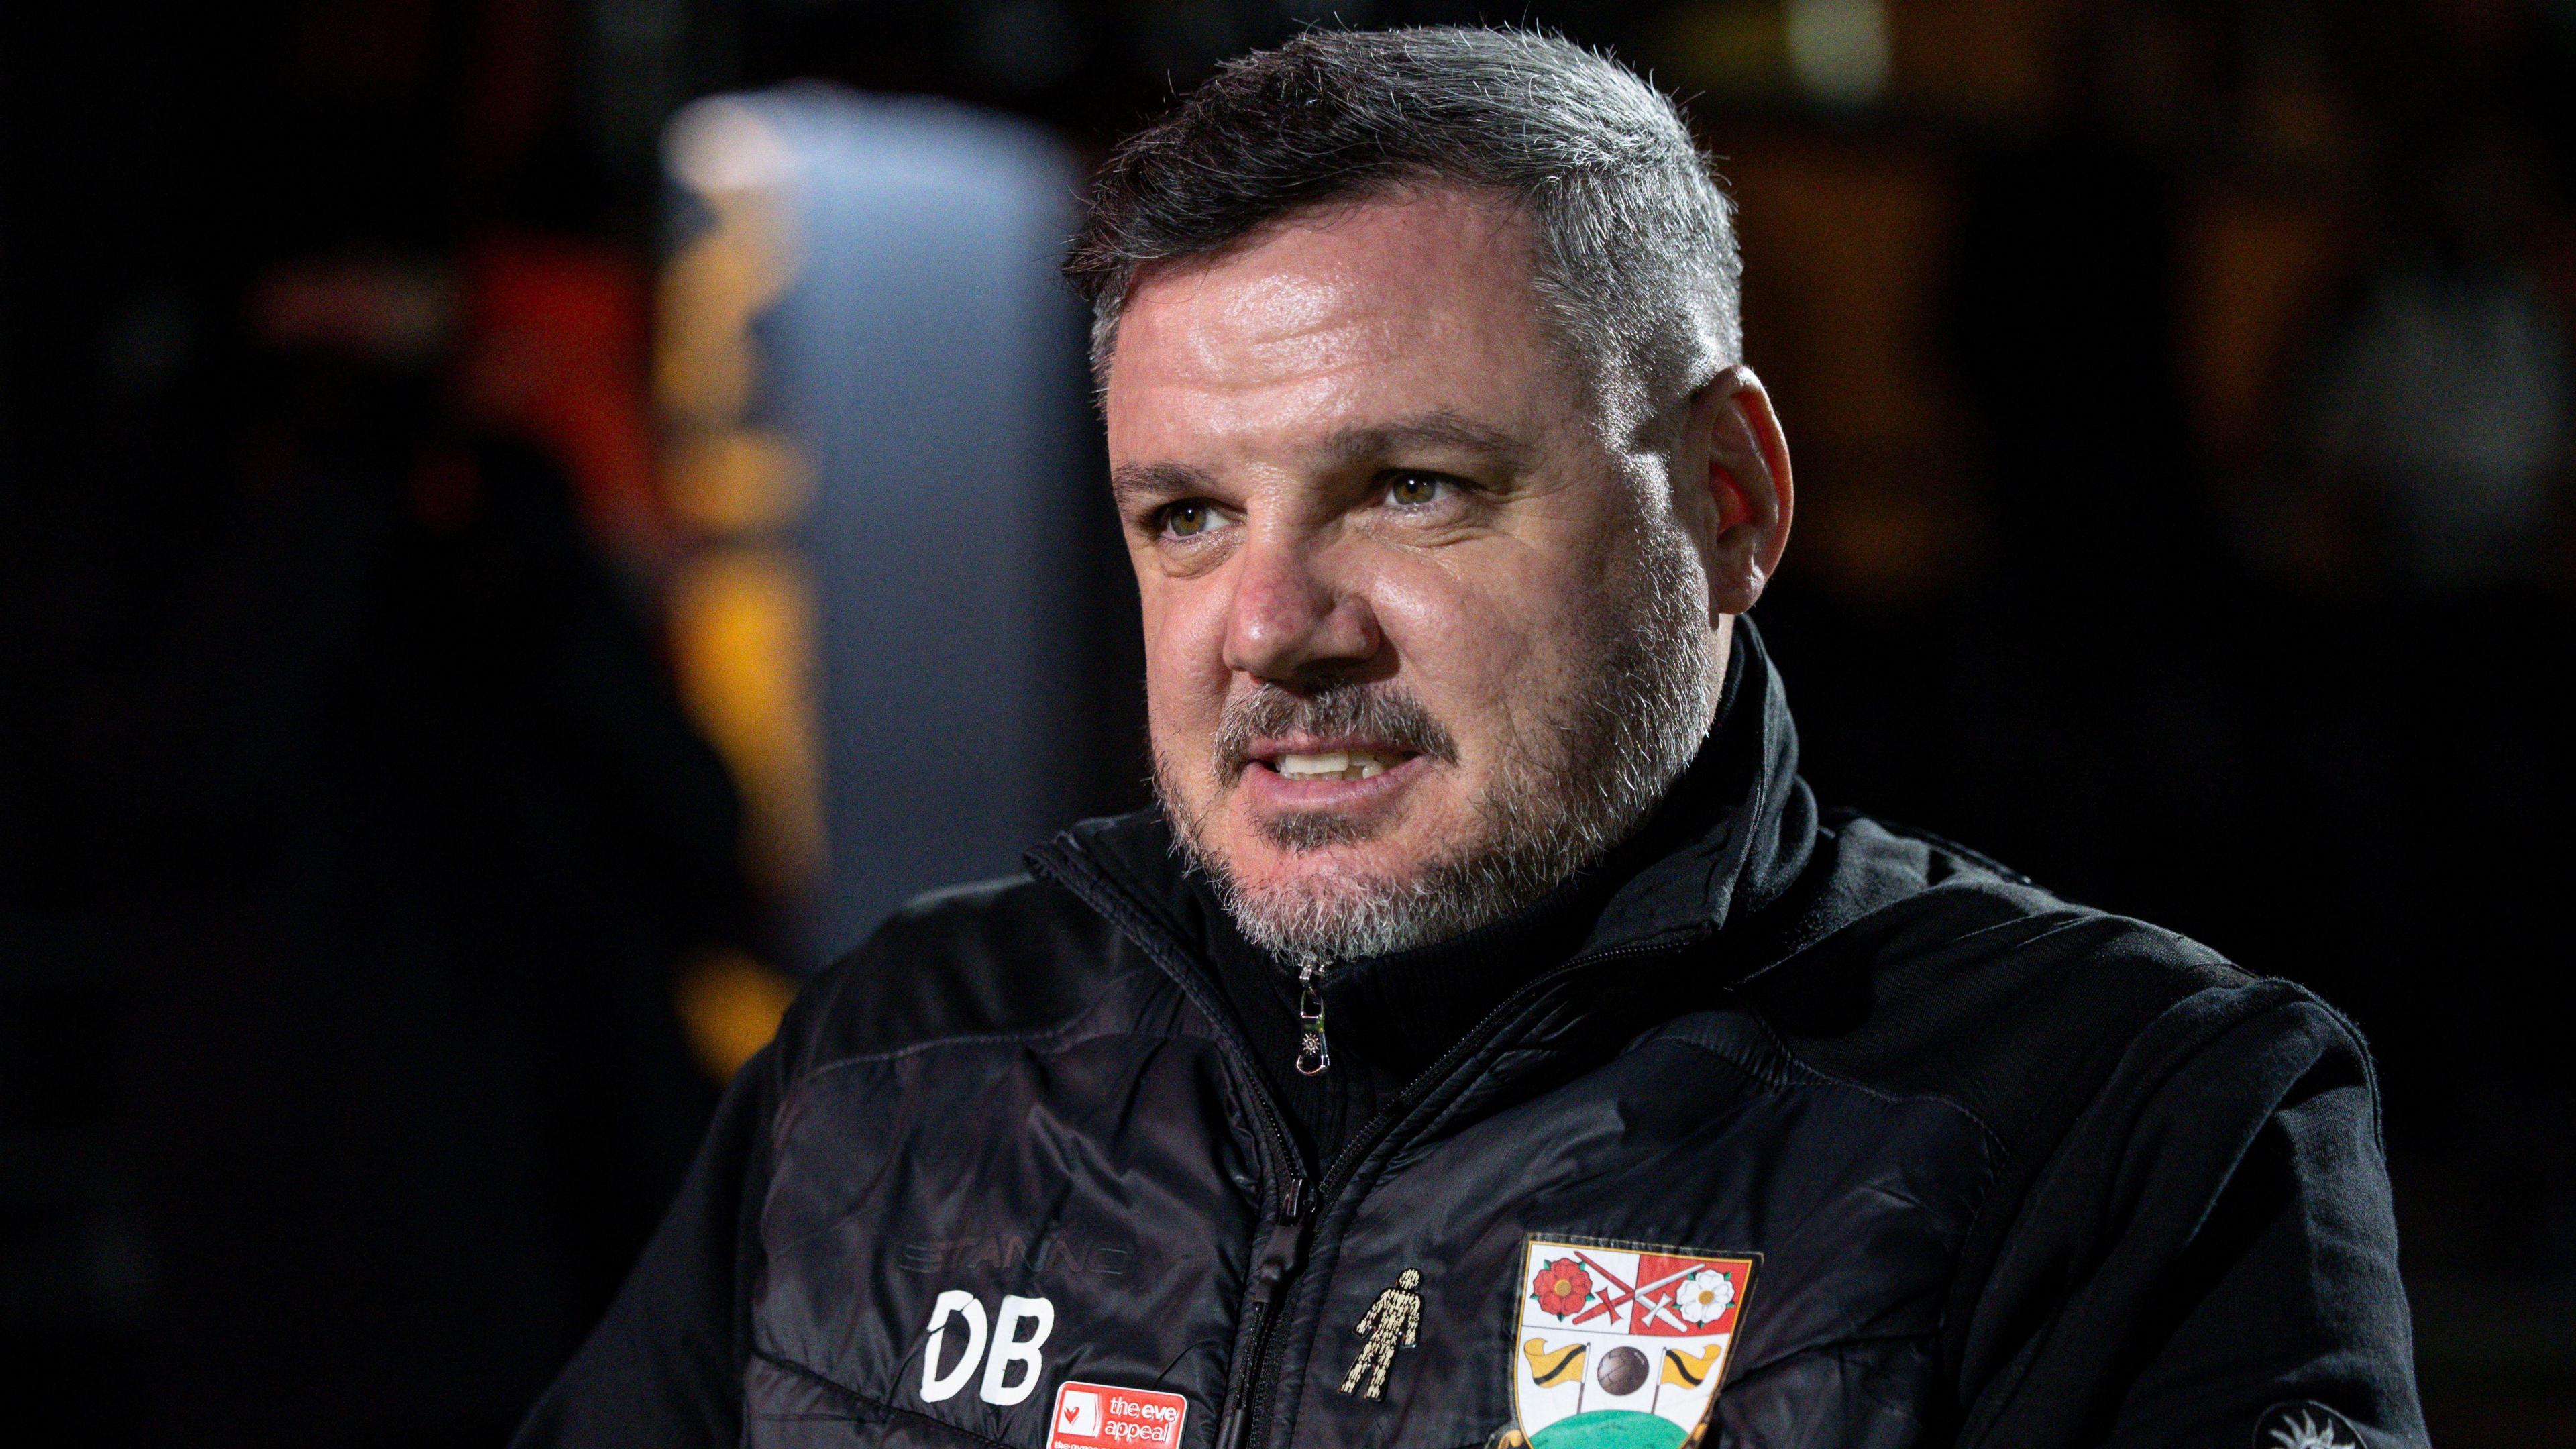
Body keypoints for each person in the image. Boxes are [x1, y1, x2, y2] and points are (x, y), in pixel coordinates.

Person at [514, 28, 2424, 1449]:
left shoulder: (2133, 1127)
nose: (1273, 628)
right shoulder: (898, 1064)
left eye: (1412, 487)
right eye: (1187, 516)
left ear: (1731, 500)